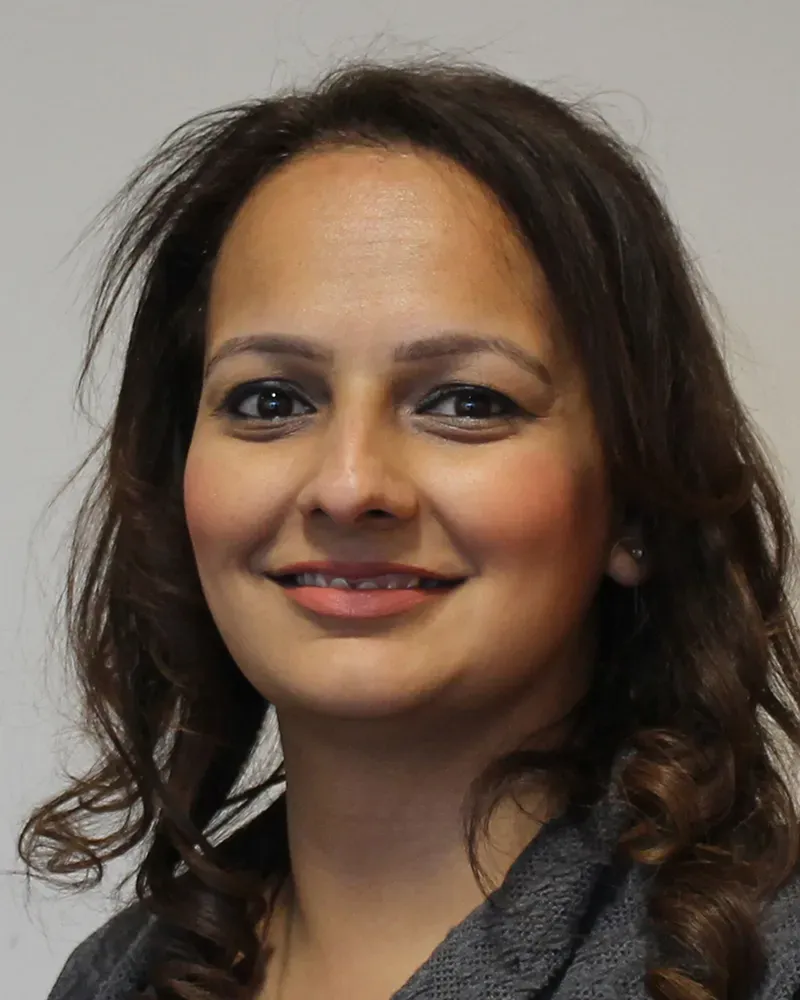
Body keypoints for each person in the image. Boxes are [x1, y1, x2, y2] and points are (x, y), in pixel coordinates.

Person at [20, 58, 800, 1000]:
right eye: (270, 399)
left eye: (466, 401)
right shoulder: (111, 979)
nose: (348, 487)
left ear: (635, 503)